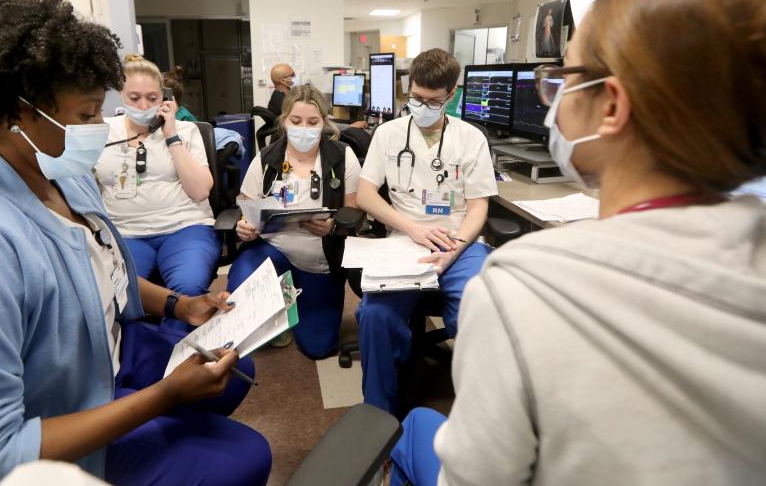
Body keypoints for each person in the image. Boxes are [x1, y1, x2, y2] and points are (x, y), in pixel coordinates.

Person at [388, 0, 766, 486]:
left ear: (610, 104)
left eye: (564, 78)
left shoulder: (523, 287)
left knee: (416, 424)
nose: (551, 98)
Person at [0, 0, 271, 486]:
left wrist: (179, 304)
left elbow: (104, 270)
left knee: (237, 371)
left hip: (97, 364)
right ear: (17, 114)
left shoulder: (60, 172)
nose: (98, 130)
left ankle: (161, 429)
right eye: (84, 115)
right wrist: (162, 399)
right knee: (244, 458)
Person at [356, 48, 497, 415]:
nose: (421, 106)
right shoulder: (388, 134)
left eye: (432, 101)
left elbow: (479, 205)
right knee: (374, 315)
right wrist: (412, 229)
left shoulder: (470, 138)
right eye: (416, 98)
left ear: (451, 95)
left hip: (460, 242)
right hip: (405, 242)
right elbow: (366, 194)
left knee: (477, 306)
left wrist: (455, 248)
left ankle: (480, 414)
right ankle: (378, 417)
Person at [228, 85, 362, 359]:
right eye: (296, 121)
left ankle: (295, 302)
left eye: (313, 122)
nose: (304, 128)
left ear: (325, 122)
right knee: (240, 290)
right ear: (284, 121)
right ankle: (277, 303)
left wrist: (333, 227)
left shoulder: (342, 156)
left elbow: (355, 214)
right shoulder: (267, 158)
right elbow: (245, 204)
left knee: (318, 347)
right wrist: (244, 225)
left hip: (320, 260)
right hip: (272, 250)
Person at [95, 54, 220, 302]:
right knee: (117, 294)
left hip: (184, 227)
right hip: (125, 233)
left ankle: (177, 339)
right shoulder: (103, 132)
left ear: (164, 97)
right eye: (134, 97)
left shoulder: (186, 130)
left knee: (189, 287)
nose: (143, 106)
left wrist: (171, 135)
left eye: (152, 98)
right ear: (121, 93)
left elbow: (200, 191)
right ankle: (148, 340)